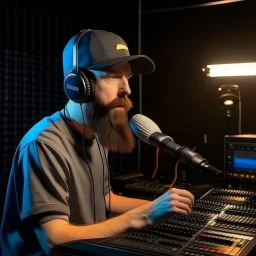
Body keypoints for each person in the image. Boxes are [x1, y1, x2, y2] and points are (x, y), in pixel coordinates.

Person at [0, 29, 194, 256]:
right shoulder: (44, 144)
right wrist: (144, 216)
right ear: (79, 84)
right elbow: (54, 237)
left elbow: (104, 198)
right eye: (113, 76)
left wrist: (162, 206)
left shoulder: (98, 131)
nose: (127, 89)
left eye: (128, 77)